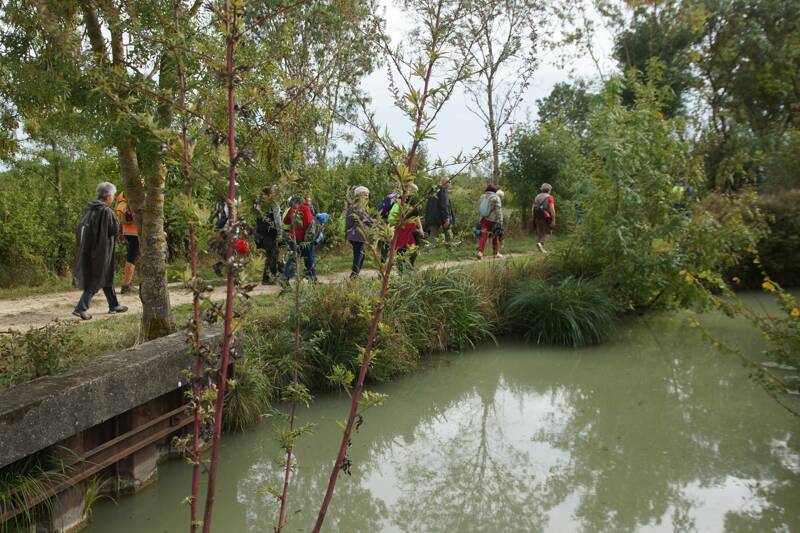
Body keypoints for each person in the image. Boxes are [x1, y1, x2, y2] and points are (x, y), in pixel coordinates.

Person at [72, 182, 128, 320]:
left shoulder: (90, 209)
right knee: (97, 278)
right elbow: (113, 230)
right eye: (113, 195)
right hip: (101, 250)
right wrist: (119, 221)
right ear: (108, 196)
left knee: (106, 277)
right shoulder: (106, 211)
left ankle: (113, 305)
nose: (113, 198)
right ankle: (81, 308)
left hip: (89, 248)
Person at [388, 183, 423, 272]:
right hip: (402, 227)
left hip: (410, 228)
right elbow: (395, 215)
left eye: (414, 191)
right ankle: (401, 269)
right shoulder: (400, 200)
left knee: (413, 248)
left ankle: (410, 266)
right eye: (412, 190)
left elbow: (416, 216)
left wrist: (421, 229)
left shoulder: (413, 201)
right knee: (401, 248)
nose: (412, 192)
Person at [282, 195, 317, 282]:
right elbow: (308, 223)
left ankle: (285, 277)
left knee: (292, 258)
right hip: (303, 239)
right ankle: (312, 278)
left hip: (292, 237)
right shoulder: (305, 208)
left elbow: (285, 221)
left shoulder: (292, 208)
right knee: (309, 258)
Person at [254, 186, 282, 285]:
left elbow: (255, 220)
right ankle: (267, 278)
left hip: (260, 233)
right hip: (270, 233)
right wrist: (280, 233)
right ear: (270, 194)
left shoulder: (258, 205)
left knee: (273, 254)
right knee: (272, 255)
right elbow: (277, 220)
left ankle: (272, 275)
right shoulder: (273, 205)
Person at [345, 186, 374, 278]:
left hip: (357, 235)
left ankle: (355, 274)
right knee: (359, 255)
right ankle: (354, 275)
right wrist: (378, 221)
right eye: (365, 195)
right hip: (356, 235)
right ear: (359, 195)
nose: (367, 197)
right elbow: (365, 219)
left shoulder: (358, 206)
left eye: (367, 195)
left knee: (361, 255)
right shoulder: (358, 206)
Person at [114, 192, 139, 294]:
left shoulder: (124, 193)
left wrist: (120, 232)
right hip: (136, 232)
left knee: (134, 256)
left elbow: (119, 215)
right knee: (132, 257)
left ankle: (130, 283)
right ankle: (126, 285)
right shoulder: (141, 191)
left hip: (126, 231)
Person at [424, 176, 455, 246]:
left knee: (431, 237)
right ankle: (450, 251)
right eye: (449, 182)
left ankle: (429, 253)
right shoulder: (443, 190)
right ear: (444, 182)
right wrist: (447, 218)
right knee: (448, 234)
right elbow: (445, 205)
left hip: (431, 217)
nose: (450, 183)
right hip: (441, 217)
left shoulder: (433, 190)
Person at [476, 184, 503, 259]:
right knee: (495, 236)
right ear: (495, 191)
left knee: (483, 236)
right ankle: (496, 252)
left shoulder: (482, 196)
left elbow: (480, 208)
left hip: (484, 219)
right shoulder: (496, 197)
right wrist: (500, 221)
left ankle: (480, 252)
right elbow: (498, 210)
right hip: (493, 220)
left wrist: (480, 219)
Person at [532, 183, 556, 253]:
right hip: (546, 216)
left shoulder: (536, 197)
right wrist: (553, 219)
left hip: (537, 216)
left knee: (540, 232)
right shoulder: (550, 197)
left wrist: (533, 217)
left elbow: (533, 208)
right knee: (548, 232)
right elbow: (552, 209)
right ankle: (541, 244)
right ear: (549, 190)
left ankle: (541, 248)